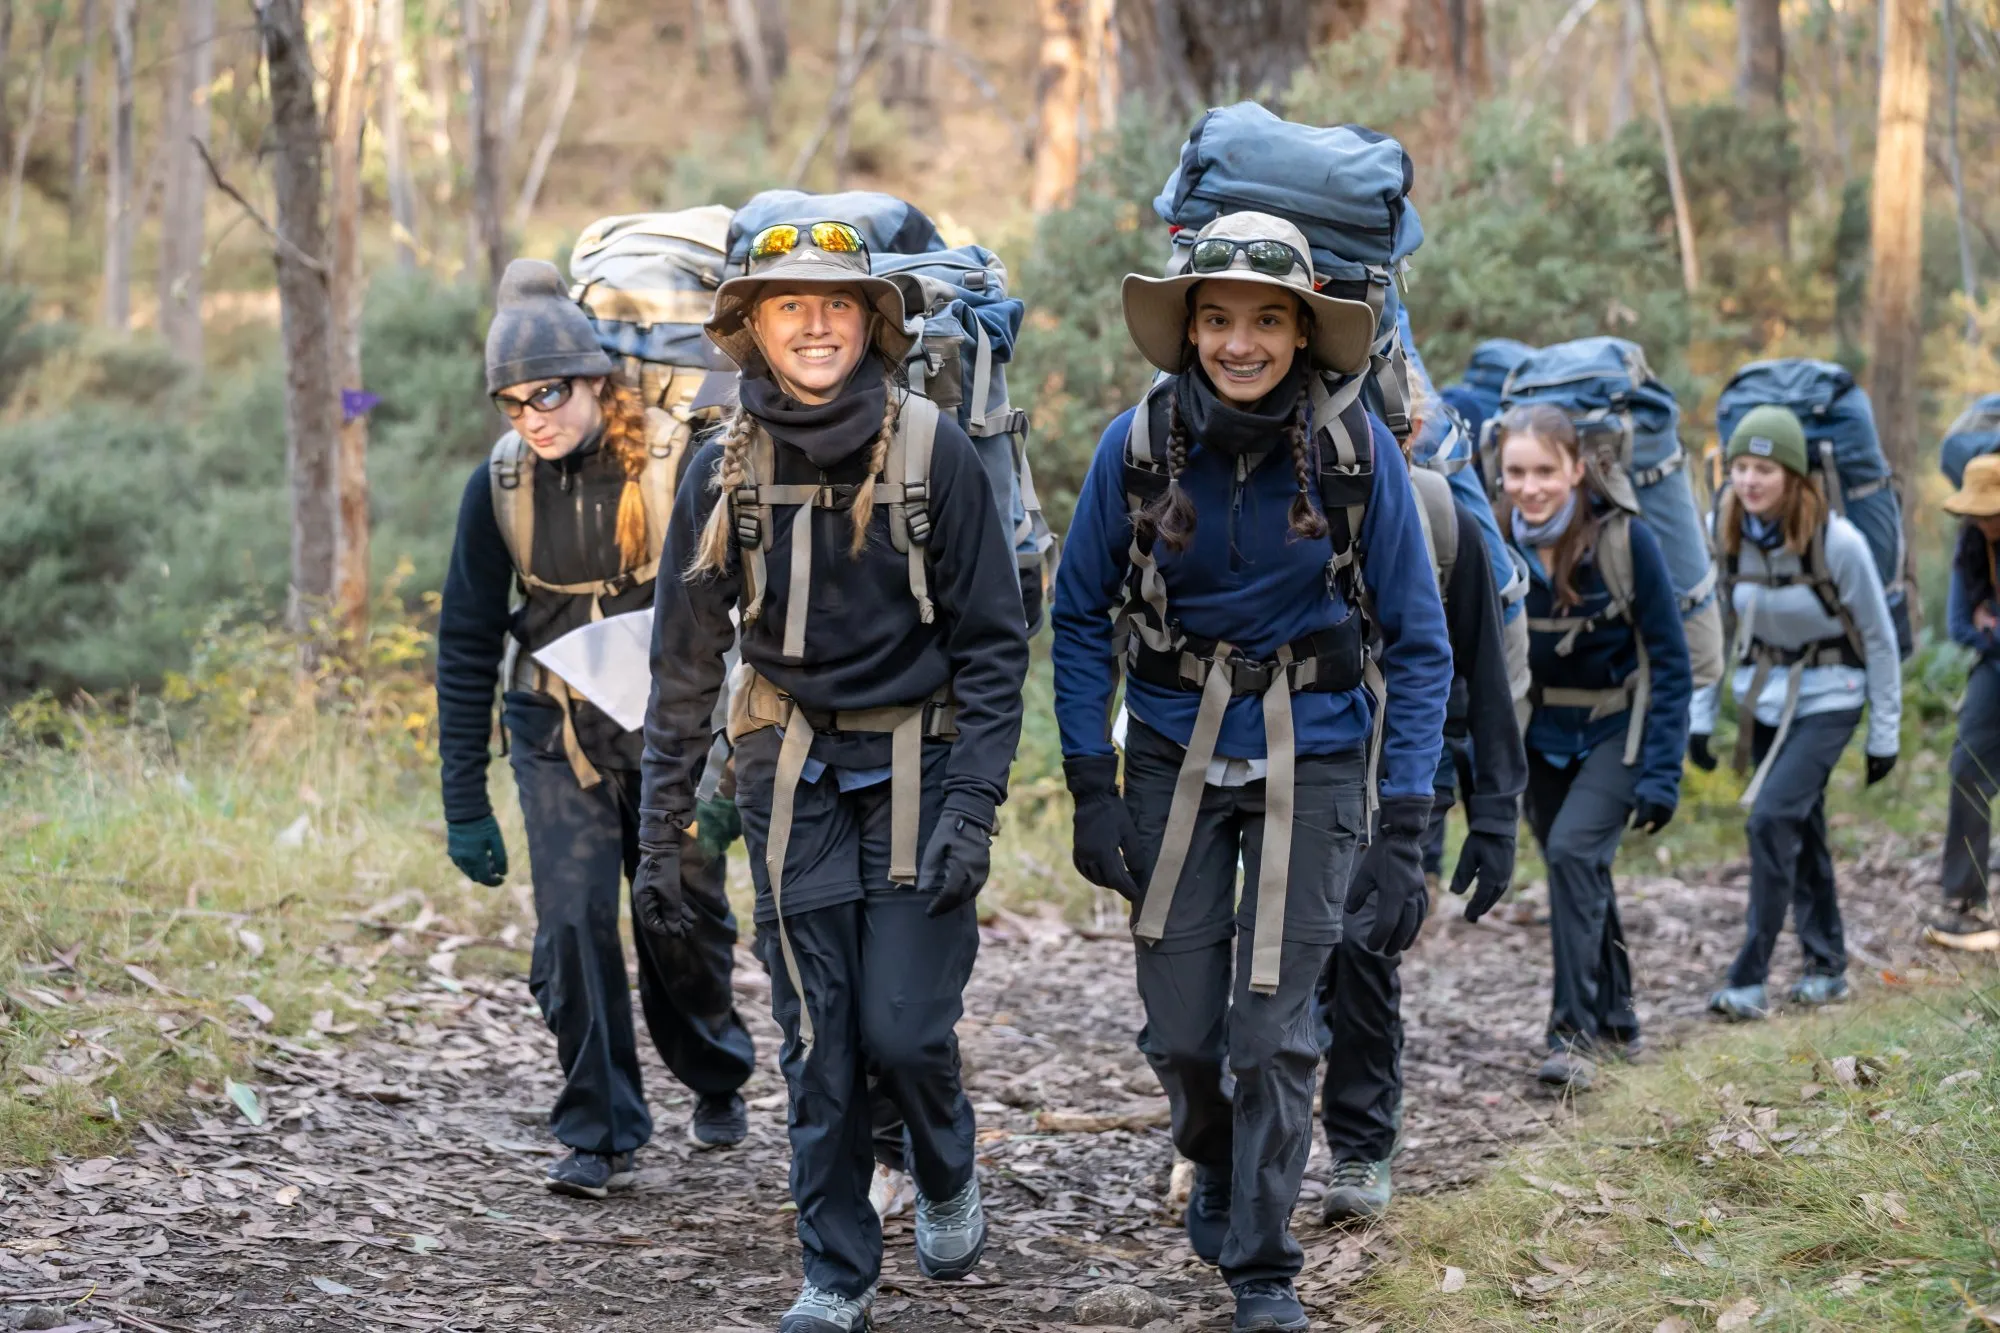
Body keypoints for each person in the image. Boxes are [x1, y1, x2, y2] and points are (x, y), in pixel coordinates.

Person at [1052, 212, 1451, 1333]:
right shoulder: (1131, 449)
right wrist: (1088, 776)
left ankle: (1263, 1265)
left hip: (1314, 752)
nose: (1240, 342)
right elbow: (1079, 614)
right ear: (1187, 328)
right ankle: (1210, 1153)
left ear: (1299, 332)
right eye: (1218, 318)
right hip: (1171, 753)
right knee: (1183, 1032)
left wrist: (1404, 823)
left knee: (1274, 1031)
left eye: (1265, 320)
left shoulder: (1352, 448)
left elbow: (1418, 640)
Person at [638, 219, 1030, 1333]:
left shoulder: (931, 449)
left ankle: (945, 1167)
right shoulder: (720, 466)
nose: (814, 324)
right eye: (787, 304)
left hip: (921, 760)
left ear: (871, 324)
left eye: (836, 303)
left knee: (903, 1030)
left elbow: (995, 640)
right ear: (750, 329)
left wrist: (974, 808)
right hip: (792, 769)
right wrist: (661, 831)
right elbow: (684, 660)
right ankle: (836, 1271)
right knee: (819, 1033)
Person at [436, 259, 755, 1199]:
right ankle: (599, 1131)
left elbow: (735, 614)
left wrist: (729, 767)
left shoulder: (671, 462)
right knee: (571, 927)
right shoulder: (497, 487)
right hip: (555, 727)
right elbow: (463, 641)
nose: (534, 416)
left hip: (669, 732)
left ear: (594, 379)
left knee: (678, 918)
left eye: (549, 392)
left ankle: (714, 1069)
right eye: (512, 402)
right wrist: (463, 798)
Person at [1315, 438, 1527, 1223]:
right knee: (1293, 947)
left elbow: (1482, 674)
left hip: (1406, 767)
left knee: (1364, 943)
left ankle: (1361, 1142)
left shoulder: (1441, 518)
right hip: (1291, 754)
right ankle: (1239, 1137)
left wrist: (1494, 813)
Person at [1497, 402, 1690, 1091]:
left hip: (1616, 729)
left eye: (1545, 470)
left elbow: (1670, 660)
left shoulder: (1624, 541)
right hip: (1540, 733)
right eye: (1516, 471)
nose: (1530, 486)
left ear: (1577, 470)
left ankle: (1572, 1036)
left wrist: (1663, 774)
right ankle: (1620, 1017)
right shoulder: (1496, 538)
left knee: (1575, 855)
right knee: (1580, 872)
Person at [1691, 406, 1901, 1018]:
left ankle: (1750, 975)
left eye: (1764, 468)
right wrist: (1702, 717)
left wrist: (1883, 735)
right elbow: (1715, 630)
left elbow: (1880, 640)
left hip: (1831, 694)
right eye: (1740, 467)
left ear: (1794, 476)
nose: (1749, 481)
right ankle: (1826, 963)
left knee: (1769, 821)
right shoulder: (1721, 528)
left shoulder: (1839, 541)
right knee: (1801, 829)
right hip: (1765, 697)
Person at [1929, 453, 2000, 951]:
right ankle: (1966, 897)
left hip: (1993, 651)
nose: (1983, 521)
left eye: (1992, 511)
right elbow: (1958, 625)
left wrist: (1992, 626)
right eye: (1977, 512)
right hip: (1993, 668)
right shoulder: (1971, 546)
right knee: (1967, 765)